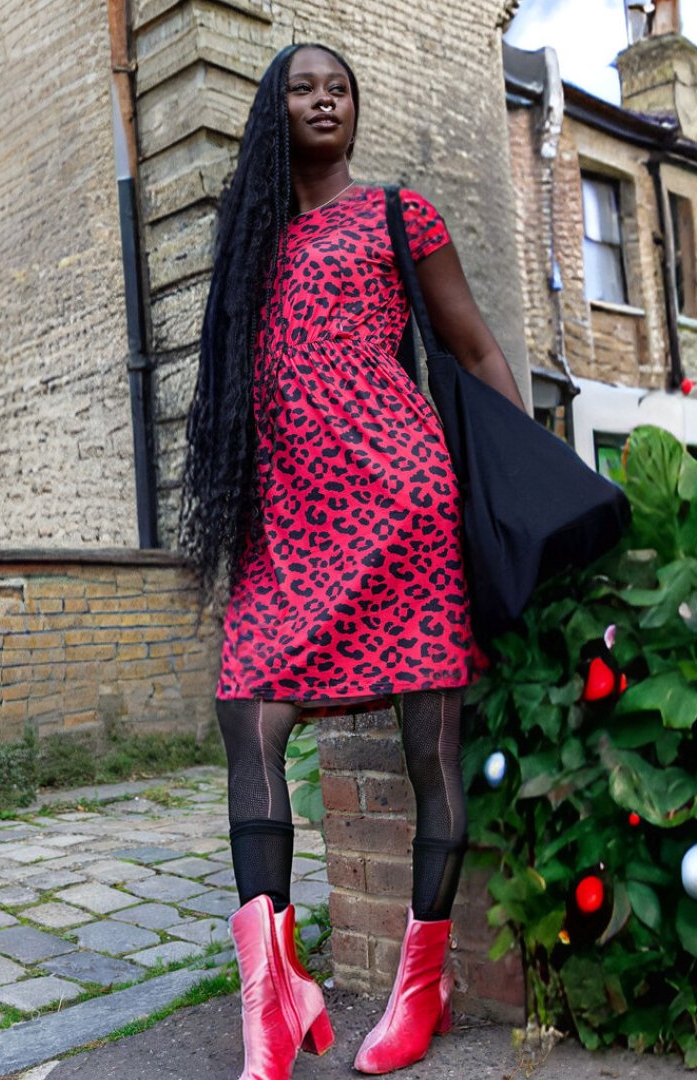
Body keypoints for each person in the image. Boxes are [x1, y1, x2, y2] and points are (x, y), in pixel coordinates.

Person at [180, 41, 524, 1080]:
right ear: (272, 111)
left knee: (429, 746)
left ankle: (421, 986)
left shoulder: (397, 215)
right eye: (304, 88)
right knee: (247, 713)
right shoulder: (250, 242)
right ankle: (273, 992)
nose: (325, 100)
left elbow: (474, 347)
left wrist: (522, 479)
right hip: (290, 527)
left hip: (403, 499)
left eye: (340, 89)